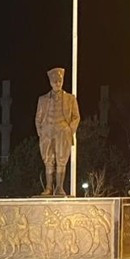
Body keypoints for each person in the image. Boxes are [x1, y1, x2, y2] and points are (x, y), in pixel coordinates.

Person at [35, 67, 81, 196]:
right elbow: (38, 118)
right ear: (50, 82)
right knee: (48, 160)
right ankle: (49, 188)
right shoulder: (42, 100)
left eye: (59, 80)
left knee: (61, 159)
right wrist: (42, 132)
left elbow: (76, 117)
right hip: (47, 133)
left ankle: (59, 188)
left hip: (62, 132)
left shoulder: (70, 99)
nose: (57, 83)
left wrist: (69, 130)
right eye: (55, 81)